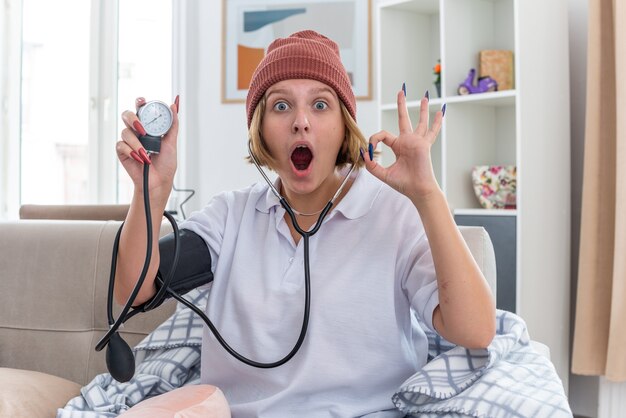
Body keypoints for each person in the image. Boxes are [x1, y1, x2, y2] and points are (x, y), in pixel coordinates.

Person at [115, 30, 495, 417]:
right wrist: (153, 190)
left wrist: (428, 196)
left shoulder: (394, 213)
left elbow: (475, 332)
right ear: (259, 129)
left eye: (320, 105)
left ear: (345, 126)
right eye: (281, 107)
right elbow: (135, 291)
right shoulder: (232, 215)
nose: (301, 122)